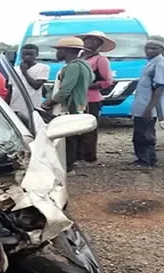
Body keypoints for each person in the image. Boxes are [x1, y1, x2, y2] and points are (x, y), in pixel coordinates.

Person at [41, 37, 94, 174]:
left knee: (67, 139)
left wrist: (50, 102)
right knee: (73, 137)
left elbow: (65, 90)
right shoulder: (85, 65)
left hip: (68, 107)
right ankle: (71, 163)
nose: (56, 54)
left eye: (58, 50)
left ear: (66, 51)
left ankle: (68, 167)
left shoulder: (73, 67)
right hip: (79, 105)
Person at [130, 37, 164, 168]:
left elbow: (160, 88)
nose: (149, 51)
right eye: (147, 48)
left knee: (144, 134)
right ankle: (148, 159)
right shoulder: (151, 62)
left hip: (148, 105)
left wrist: (149, 108)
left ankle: (145, 161)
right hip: (143, 103)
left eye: (154, 48)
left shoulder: (160, 64)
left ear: (162, 49)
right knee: (141, 132)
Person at [75, 31, 115, 167]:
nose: (89, 43)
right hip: (78, 99)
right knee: (76, 129)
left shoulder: (101, 60)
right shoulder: (80, 57)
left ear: (99, 44)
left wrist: (86, 86)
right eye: (87, 40)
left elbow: (107, 81)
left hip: (92, 99)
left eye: (94, 41)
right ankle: (77, 156)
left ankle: (89, 158)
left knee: (89, 130)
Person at [10, 44, 50, 112]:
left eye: (30, 54)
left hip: (33, 107)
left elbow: (36, 86)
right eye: (24, 54)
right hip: (15, 106)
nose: (27, 57)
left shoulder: (43, 68)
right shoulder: (14, 69)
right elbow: (10, 88)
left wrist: (24, 72)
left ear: (36, 54)